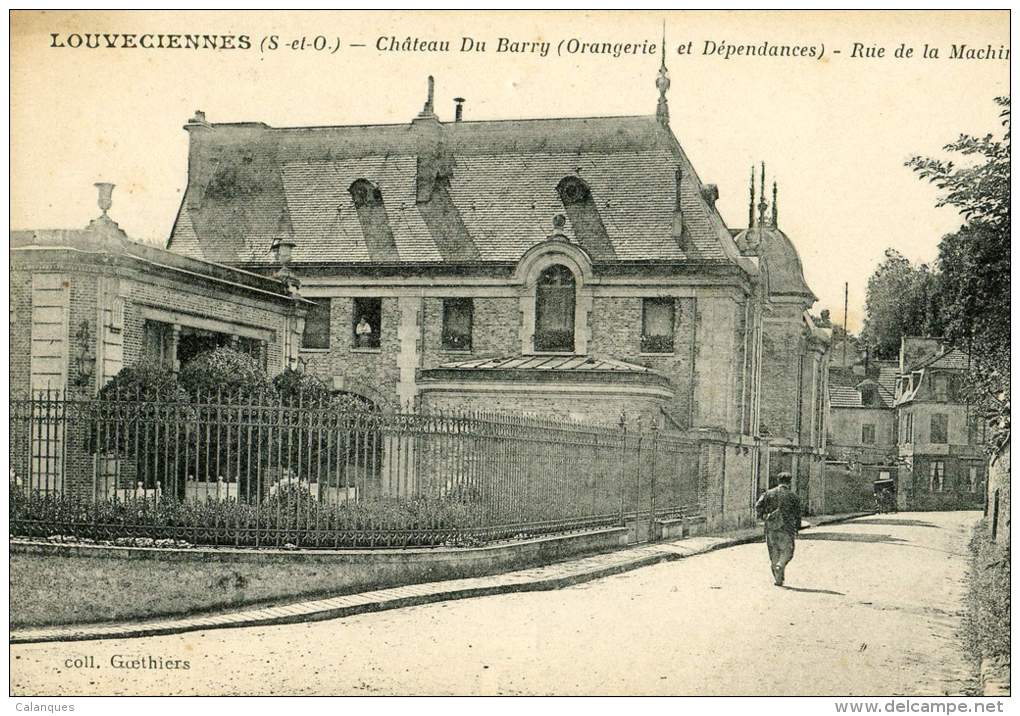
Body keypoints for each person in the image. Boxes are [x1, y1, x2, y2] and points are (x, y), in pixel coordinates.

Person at [754, 472, 802, 586]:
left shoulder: (768, 493)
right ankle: (780, 565)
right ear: (789, 482)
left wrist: (764, 517)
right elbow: (798, 514)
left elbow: (758, 506)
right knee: (787, 552)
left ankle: (778, 579)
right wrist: (798, 527)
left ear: (778, 481)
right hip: (787, 528)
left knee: (774, 552)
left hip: (771, 528)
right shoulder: (793, 496)